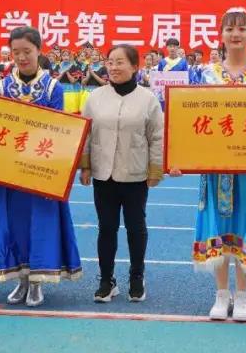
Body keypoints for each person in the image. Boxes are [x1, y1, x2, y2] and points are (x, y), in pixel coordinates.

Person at [169, 8, 246, 323]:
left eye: (242, 29)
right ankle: (221, 294)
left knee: (245, 224)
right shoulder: (205, 74)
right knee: (217, 227)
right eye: (230, 28)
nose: (236, 34)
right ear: (220, 35)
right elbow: (188, 119)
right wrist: (179, 157)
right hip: (215, 167)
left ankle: (242, 295)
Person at [0, 27, 82, 307]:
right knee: (13, 225)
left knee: (40, 225)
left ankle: (36, 281)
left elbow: (57, 130)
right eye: (15, 52)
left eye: (27, 51)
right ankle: (21, 280)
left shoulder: (54, 88)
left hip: (40, 170)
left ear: (38, 51)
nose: (21, 57)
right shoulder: (1, 87)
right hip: (7, 171)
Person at [79, 44, 163, 303]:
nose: (113, 67)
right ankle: (107, 280)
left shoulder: (148, 99)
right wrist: (85, 165)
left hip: (135, 174)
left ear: (134, 66)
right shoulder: (95, 97)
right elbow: (86, 133)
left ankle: (137, 277)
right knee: (106, 228)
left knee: (136, 228)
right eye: (110, 62)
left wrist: (155, 169)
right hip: (103, 173)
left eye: (120, 62)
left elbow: (157, 137)